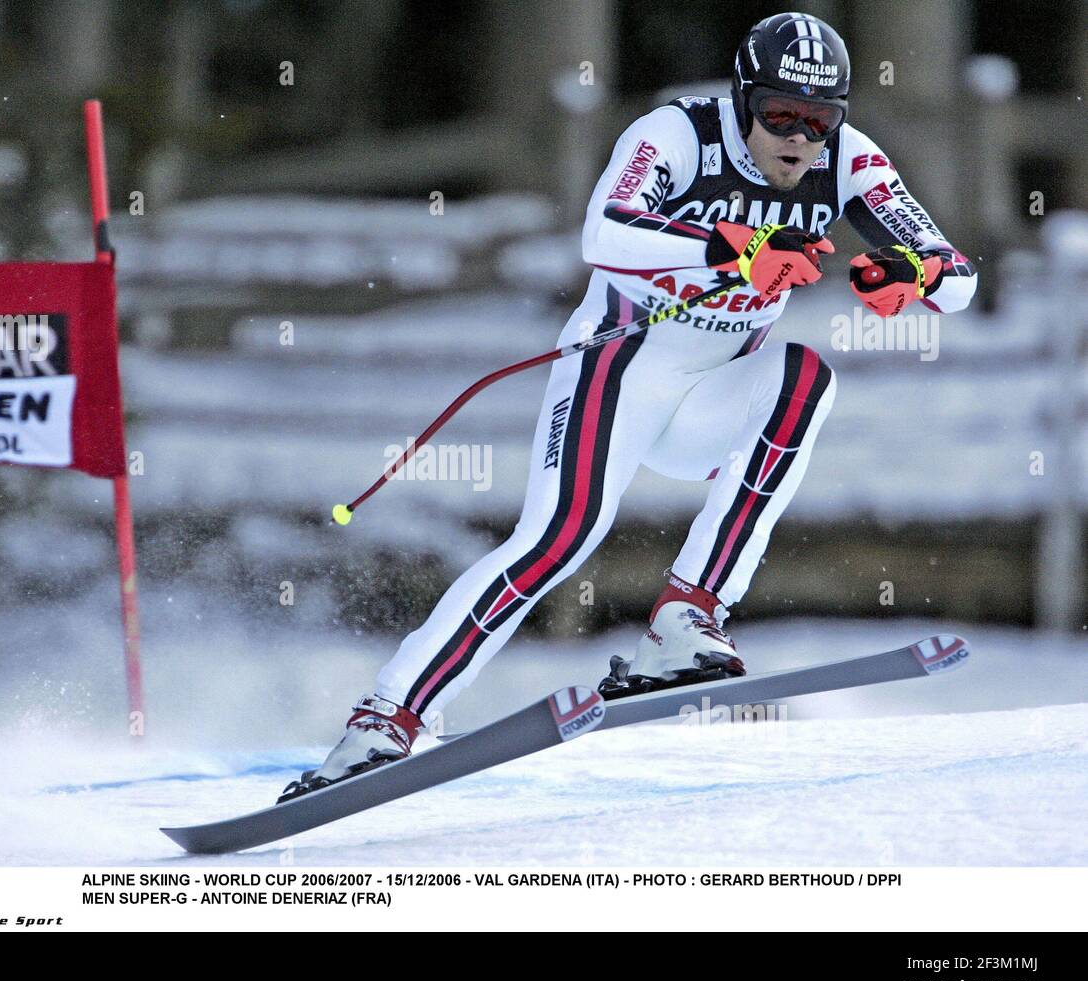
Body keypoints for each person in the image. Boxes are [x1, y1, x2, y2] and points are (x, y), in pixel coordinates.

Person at [283, 11, 977, 799]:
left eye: (817, 119)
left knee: (806, 377)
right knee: (558, 537)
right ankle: (387, 718)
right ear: (743, 98)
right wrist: (736, 249)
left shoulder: (846, 160)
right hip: (618, 370)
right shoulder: (679, 135)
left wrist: (912, 275)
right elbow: (602, 232)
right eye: (779, 113)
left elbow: (959, 276)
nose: (798, 138)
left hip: (712, 395)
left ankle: (687, 616)